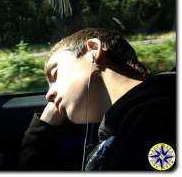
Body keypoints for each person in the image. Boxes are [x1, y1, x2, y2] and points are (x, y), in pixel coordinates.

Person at [18, 28, 176, 171]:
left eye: (56, 74)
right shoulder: (116, 127)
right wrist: (45, 125)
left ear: (93, 50)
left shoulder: (155, 120)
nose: (48, 96)